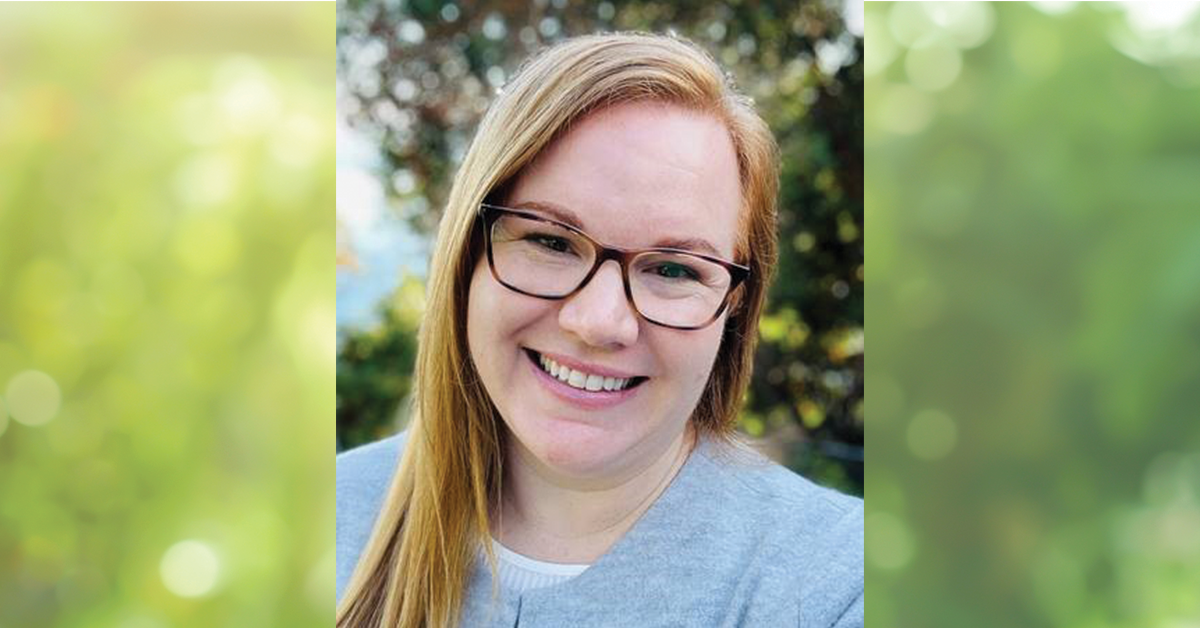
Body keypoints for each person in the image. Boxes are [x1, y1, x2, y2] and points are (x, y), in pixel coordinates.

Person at [336, 32, 863, 628]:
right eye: (551, 241)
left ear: (733, 307)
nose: (598, 322)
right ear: (467, 257)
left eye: (673, 269)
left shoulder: (840, 587)